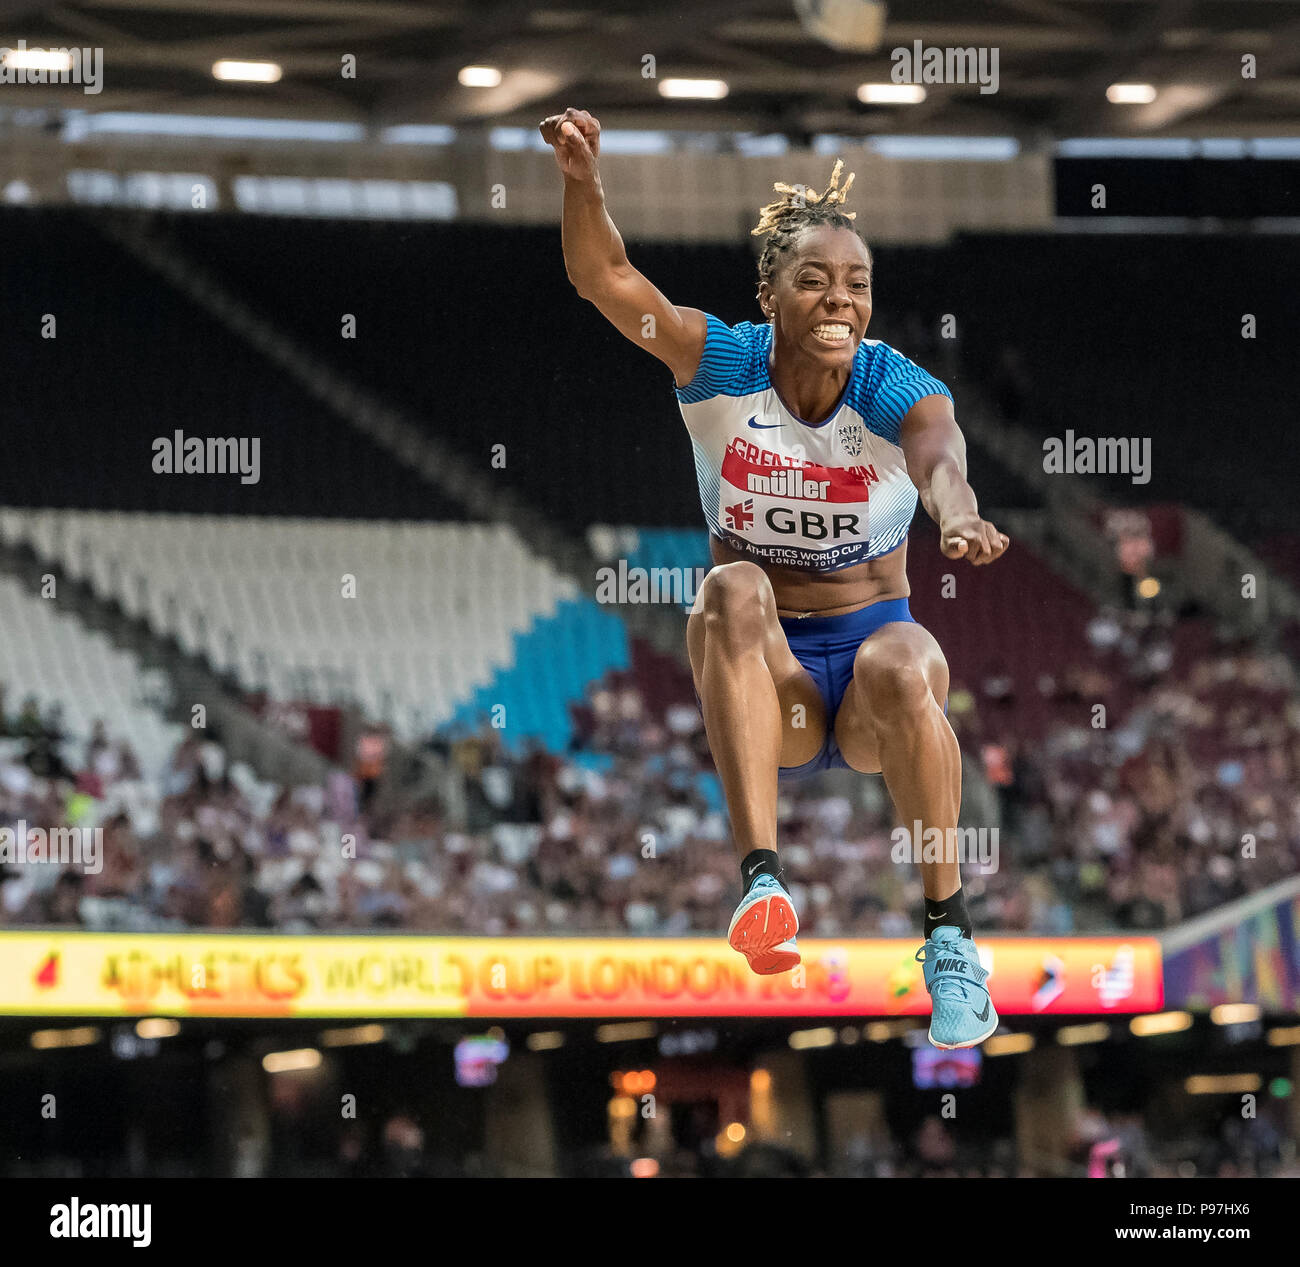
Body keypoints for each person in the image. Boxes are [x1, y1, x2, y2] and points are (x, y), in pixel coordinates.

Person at [541, 107, 1009, 1048]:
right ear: (770, 294)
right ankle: (762, 879)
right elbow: (602, 278)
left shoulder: (893, 386)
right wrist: (584, 182)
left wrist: (956, 513)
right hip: (778, 687)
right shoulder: (719, 363)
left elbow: (940, 456)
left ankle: (950, 938)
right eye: (816, 282)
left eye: (857, 284)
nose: (841, 301)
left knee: (905, 659)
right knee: (728, 590)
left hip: (874, 677)